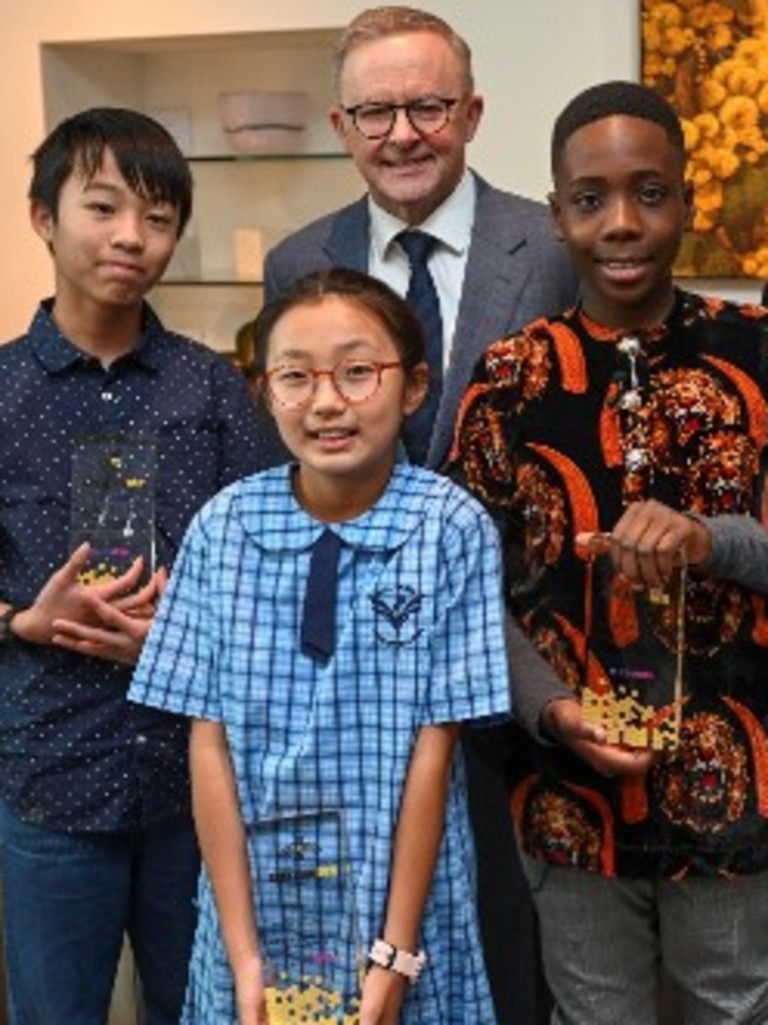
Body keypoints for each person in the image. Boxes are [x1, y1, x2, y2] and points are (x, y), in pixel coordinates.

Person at [264, 10, 578, 1020]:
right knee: (368, 953)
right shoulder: (299, 259)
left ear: (473, 112)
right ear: (341, 122)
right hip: (364, 674)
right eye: (375, 110)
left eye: (428, 105)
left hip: (526, 660)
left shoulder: (554, 246)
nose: (402, 132)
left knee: (509, 951)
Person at [448, 79, 768, 1025]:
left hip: (742, 786)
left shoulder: (754, 353)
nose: (622, 223)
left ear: (689, 199)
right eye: (591, 199)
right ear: (557, 215)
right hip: (566, 792)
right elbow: (469, 590)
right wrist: (548, 712)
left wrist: (714, 540)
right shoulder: (510, 379)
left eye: (650, 192)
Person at [128, 267, 512, 1025]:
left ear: (412, 385)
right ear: (264, 389)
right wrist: (243, 955)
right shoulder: (223, 527)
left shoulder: (451, 526)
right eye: (296, 376)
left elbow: (435, 751)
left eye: (359, 371)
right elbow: (209, 744)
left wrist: (394, 954)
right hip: (255, 903)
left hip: (404, 903)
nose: (328, 401)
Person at [0, 107, 264, 1025]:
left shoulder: (213, 384)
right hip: (51, 774)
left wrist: (184, 635)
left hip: (195, 783)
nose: (132, 237)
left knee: (204, 1010)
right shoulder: (2, 391)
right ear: (44, 215)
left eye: (158, 218)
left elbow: (270, 559)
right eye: (104, 207)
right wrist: (19, 621)